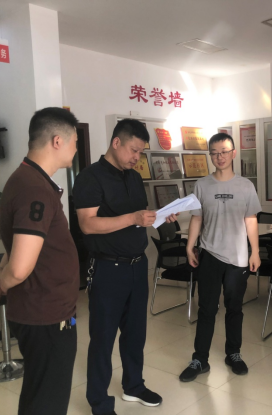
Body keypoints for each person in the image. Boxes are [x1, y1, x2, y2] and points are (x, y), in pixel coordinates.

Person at [0, 107, 81, 415]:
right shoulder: (35, 189)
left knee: (39, 394)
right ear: (57, 141)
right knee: (47, 401)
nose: (76, 149)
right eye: (74, 142)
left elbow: (17, 247)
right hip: (45, 314)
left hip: (42, 309)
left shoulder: (28, 179)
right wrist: (2, 284)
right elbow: (19, 268)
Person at [74, 119, 175, 415]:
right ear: (116, 142)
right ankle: (99, 402)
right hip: (108, 269)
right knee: (103, 338)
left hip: (137, 266)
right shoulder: (90, 177)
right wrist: (133, 218)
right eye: (133, 150)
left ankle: (133, 386)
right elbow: (87, 224)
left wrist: (159, 216)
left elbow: (139, 217)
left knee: (135, 334)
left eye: (141, 152)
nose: (137, 157)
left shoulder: (134, 177)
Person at [179, 132, 262, 383]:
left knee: (234, 308)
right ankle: (199, 359)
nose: (220, 157)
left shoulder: (246, 186)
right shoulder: (202, 185)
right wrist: (190, 246)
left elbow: (251, 220)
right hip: (210, 255)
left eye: (224, 152)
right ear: (210, 156)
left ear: (233, 153)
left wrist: (255, 251)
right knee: (206, 308)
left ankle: (233, 353)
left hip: (238, 258)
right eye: (214, 153)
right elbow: (197, 218)